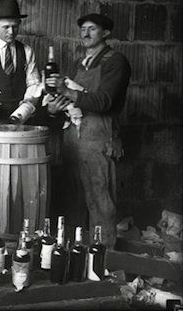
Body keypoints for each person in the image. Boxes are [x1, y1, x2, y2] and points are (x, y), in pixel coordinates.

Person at [45, 13, 131, 249]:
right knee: (73, 200)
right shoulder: (79, 63)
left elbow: (104, 102)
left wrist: (67, 90)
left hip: (98, 139)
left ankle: (104, 262)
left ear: (105, 33)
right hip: (74, 138)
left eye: (92, 29)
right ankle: (75, 255)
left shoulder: (116, 62)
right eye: (83, 29)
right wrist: (55, 107)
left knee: (100, 201)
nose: (85, 33)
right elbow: (72, 101)